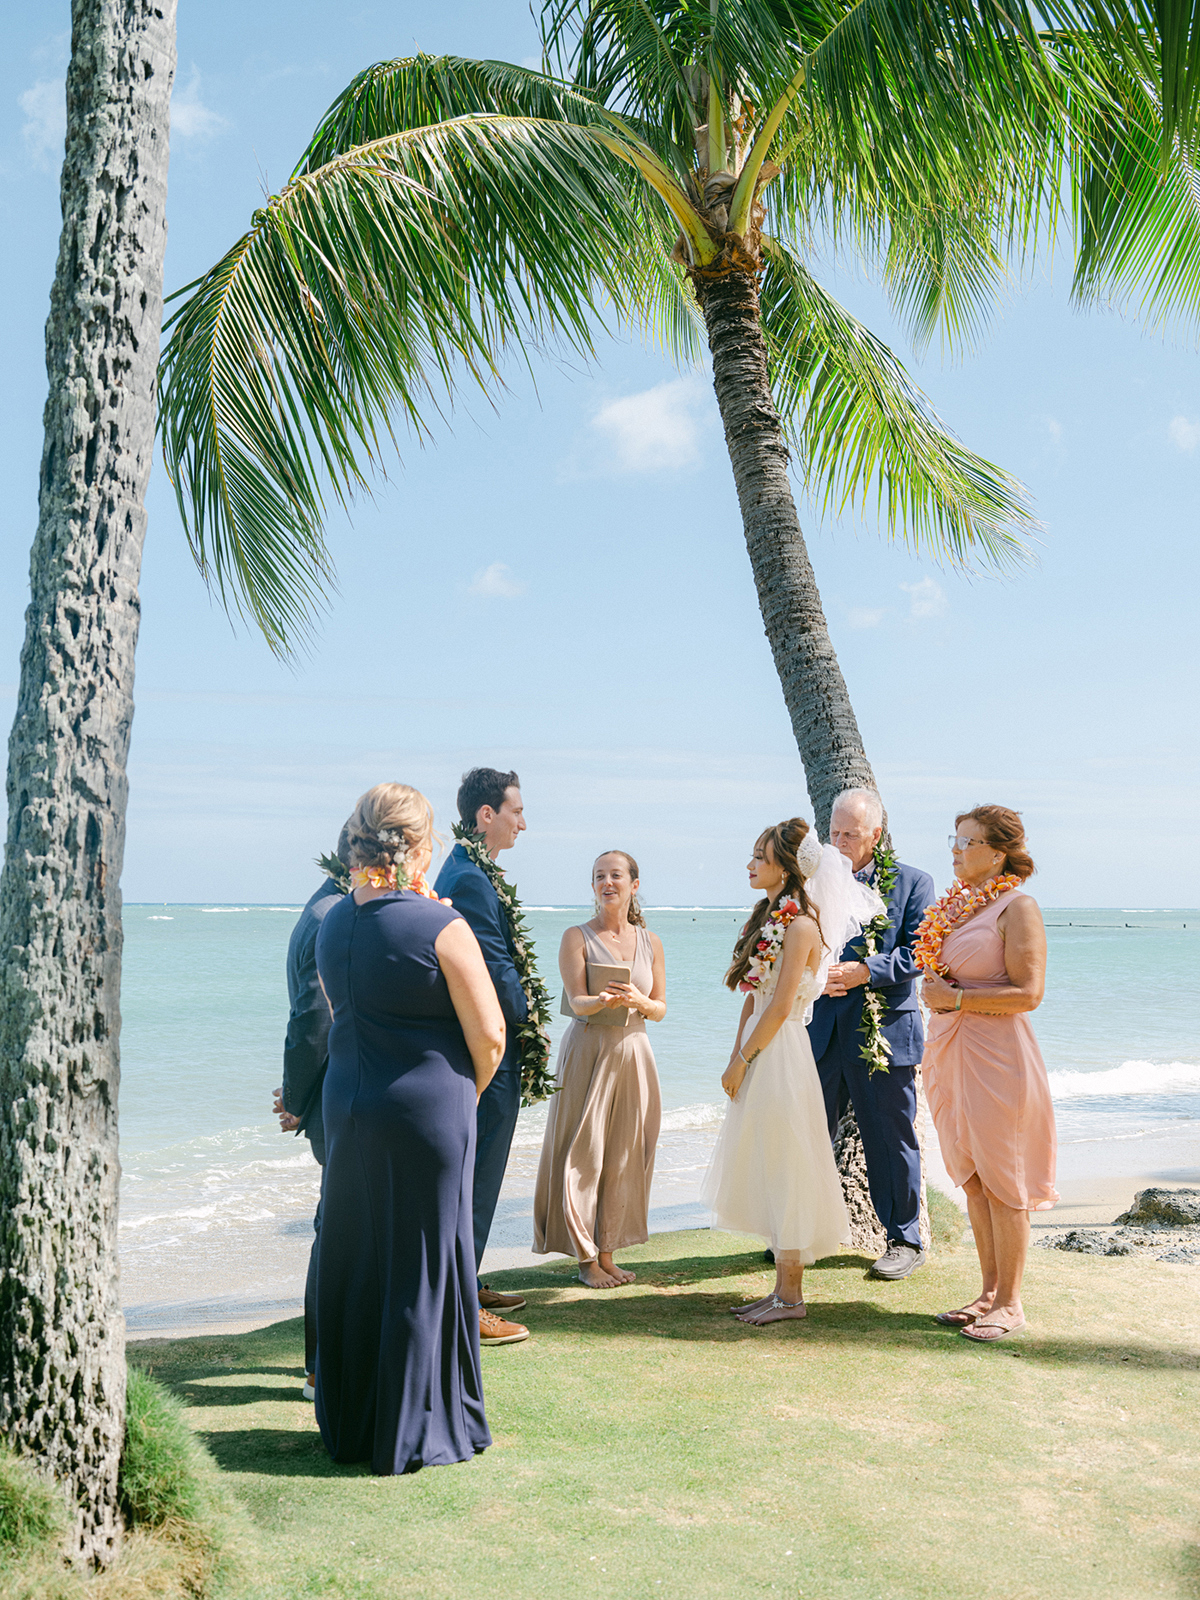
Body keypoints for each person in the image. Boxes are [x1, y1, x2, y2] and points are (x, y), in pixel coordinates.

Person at [313, 783, 506, 1473]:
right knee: (426, 1262)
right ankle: (425, 1420)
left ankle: (356, 1418)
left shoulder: (333, 921)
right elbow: (490, 1037)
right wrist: (459, 1098)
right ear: (420, 848)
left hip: (351, 1108)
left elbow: (342, 1012)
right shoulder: (442, 927)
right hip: (428, 1111)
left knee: (362, 1257)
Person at [702, 819, 882, 1326]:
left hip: (781, 1055)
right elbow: (752, 999)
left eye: (759, 855)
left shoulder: (801, 925)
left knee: (787, 1166)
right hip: (759, 1052)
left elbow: (781, 1008)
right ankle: (779, 1292)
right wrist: (734, 1056)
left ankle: (792, 1297)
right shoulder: (765, 918)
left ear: (785, 865)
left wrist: (745, 1058)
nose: (750, 864)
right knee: (766, 1162)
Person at [917, 806, 1057, 1343]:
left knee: (1005, 1180)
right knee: (974, 1178)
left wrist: (956, 996)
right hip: (951, 1049)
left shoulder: (1018, 907)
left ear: (997, 853)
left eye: (967, 842)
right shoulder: (955, 909)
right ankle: (987, 1293)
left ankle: (1012, 1303)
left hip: (997, 1055)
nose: (955, 849)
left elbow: (1029, 994)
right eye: (953, 839)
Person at [807, 788, 936, 1280]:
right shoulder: (813, 885)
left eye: (850, 835)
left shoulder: (912, 883)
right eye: (834, 833)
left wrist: (868, 971)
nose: (839, 843)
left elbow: (920, 953)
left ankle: (904, 1239)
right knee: (810, 1135)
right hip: (820, 1031)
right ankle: (803, 1234)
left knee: (890, 1137)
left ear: (875, 836)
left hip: (885, 1034)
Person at [534, 851, 665, 1287]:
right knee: (582, 1153)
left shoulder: (651, 942)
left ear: (634, 883)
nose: (607, 882)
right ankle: (585, 1260)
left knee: (625, 1155)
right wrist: (604, 1001)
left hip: (635, 1053)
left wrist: (638, 1002)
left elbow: (659, 1007)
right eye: (598, 877)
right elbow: (574, 1002)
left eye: (615, 875)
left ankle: (607, 1253)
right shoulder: (576, 936)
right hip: (588, 1051)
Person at [434, 768, 534, 1346]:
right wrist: (534, 1025)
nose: (524, 821)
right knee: (478, 1175)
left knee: (479, 1174)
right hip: (485, 1053)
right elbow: (495, 970)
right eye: (516, 810)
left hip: (480, 1047)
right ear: (486, 816)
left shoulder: (470, 869)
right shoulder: (469, 878)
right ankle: (460, 1302)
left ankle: (464, 1283)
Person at [272, 824, 349, 1400]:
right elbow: (313, 1021)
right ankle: (321, 1367)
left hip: (328, 1095)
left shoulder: (327, 903)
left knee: (337, 1226)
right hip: (334, 1099)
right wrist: (296, 1099)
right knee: (335, 1231)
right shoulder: (330, 916)